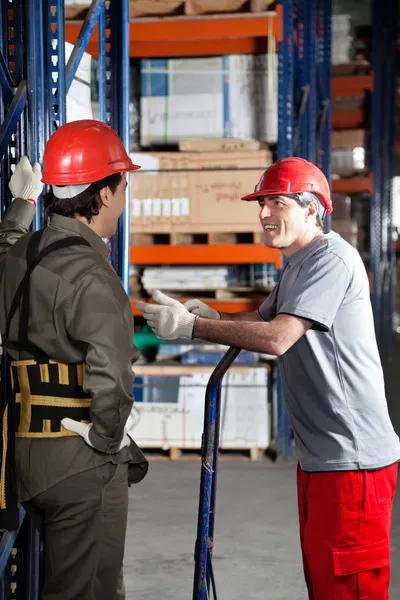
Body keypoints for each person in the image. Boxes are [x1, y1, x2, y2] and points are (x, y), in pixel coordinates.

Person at [137, 157, 400, 600]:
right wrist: (213, 316)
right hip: (322, 458)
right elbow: (259, 323)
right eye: (260, 204)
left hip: (353, 462)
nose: (263, 215)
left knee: (348, 588)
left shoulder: (332, 259)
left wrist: (192, 328)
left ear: (312, 208)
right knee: (323, 582)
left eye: (276, 203)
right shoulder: (297, 265)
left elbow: (278, 338)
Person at [0, 119, 148, 600]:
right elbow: (112, 374)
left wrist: (22, 203)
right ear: (103, 195)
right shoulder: (93, 275)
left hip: (25, 456)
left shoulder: (21, 255)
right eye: (122, 187)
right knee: (90, 591)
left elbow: (5, 247)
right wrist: (108, 436)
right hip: (81, 461)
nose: (123, 201)